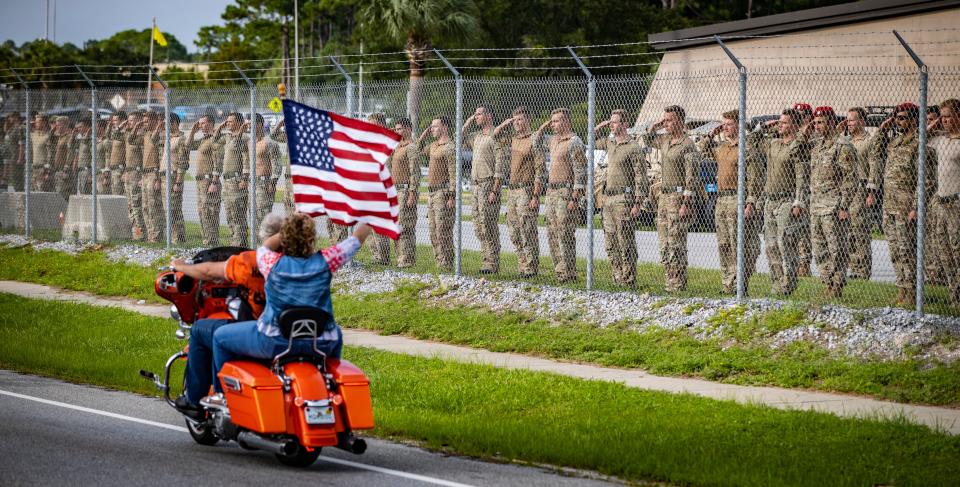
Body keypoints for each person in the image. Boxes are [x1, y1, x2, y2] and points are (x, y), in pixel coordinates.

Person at [210, 214, 374, 404]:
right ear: (311, 239)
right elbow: (356, 239)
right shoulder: (327, 261)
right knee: (334, 331)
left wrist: (290, 229)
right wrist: (373, 218)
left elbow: (266, 246)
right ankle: (327, 381)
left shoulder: (270, 261)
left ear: (285, 238)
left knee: (220, 337)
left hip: (275, 341)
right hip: (320, 342)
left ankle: (221, 396)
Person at [170, 212, 283, 417]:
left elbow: (210, 272)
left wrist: (182, 267)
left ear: (265, 236)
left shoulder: (252, 261)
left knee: (200, 330)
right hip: (294, 332)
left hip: (258, 330)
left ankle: (195, 400)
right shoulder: (304, 262)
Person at [866, 102, 937, 306]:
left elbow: (927, 179)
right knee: (895, 251)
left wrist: (915, 206)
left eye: (903, 117)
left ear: (914, 119)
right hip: (890, 204)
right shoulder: (895, 142)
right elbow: (875, 151)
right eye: (897, 117)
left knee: (908, 250)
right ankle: (902, 290)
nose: (899, 121)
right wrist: (882, 130)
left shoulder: (920, 142)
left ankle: (914, 292)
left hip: (907, 205)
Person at [698, 109, 763, 295]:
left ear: (739, 125)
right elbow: (704, 150)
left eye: (729, 124)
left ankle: (740, 283)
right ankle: (728, 283)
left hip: (738, 199)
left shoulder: (746, 148)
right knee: (724, 244)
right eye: (723, 124)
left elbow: (754, 178)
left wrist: (750, 202)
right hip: (722, 199)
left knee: (739, 244)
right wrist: (711, 134)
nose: (725, 127)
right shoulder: (723, 148)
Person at [750, 109, 810, 296]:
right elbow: (751, 142)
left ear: (794, 125)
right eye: (779, 122)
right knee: (771, 246)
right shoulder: (773, 144)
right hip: (770, 200)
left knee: (785, 244)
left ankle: (788, 283)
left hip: (787, 200)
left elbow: (802, 177)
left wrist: (799, 201)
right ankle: (776, 283)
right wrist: (763, 127)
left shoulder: (798, 146)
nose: (780, 125)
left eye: (784, 123)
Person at [643, 105, 699, 292]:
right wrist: (655, 126)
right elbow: (648, 140)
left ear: (680, 121)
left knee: (676, 242)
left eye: (670, 120)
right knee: (664, 243)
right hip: (664, 196)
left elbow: (692, 176)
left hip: (677, 196)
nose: (666, 123)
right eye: (664, 120)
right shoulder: (665, 140)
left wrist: (686, 203)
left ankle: (678, 282)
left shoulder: (687, 144)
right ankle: (669, 280)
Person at [595, 109, 650, 288]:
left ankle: (629, 279)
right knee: (610, 241)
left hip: (624, 199)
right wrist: (603, 125)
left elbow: (640, 176)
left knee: (625, 240)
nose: (612, 125)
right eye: (611, 122)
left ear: (625, 124)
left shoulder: (633, 147)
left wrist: (637, 202)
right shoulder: (610, 143)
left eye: (616, 122)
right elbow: (591, 137)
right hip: (608, 198)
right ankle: (617, 277)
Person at [807, 107, 857, 298]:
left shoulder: (842, 145)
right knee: (819, 249)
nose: (817, 126)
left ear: (831, 122)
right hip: (816, 205)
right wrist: (808, 129)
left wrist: (843, 205)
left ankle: (837, 286)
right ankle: (827, 283)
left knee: (836, 248)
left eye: (821, 122)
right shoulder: (817, 145)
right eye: (815, 122)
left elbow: (850, 179)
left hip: (833, 206)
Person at [537, 107, 587, 283]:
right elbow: (536, 142)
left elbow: (581, 171)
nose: (553, 124)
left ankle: (569, 272)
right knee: (551, 232)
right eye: (552, 121)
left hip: (566, 192)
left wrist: (575, 197)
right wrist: (544, 126)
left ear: (566, 121)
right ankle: (560, 272)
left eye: (557, 121)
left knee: (564, 232)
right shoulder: (553, 140)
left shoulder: (574, 141)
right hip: (551, 191)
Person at [494, 106, 544, 278]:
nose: (517, 123)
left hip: (526, 189)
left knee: (527, 229)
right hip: (512, 190)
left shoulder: (534, 138)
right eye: (514, 119)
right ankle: (522, 263)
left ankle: (531, 266)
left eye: (520, 119)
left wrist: (536, 195)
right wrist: (505, 124)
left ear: (529, 119)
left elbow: (540, 168)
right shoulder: (512, 140)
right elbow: (494, 137)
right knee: (513, 230)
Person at [372, 116, 420, 268]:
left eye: (401, 128)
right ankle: (394, 258)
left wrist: (412, 193)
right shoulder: (398, 146)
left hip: (405, 190)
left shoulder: (411, 147)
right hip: (393, 189)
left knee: (404, 226)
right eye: (396, 128)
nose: (397, 131)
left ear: (408, 129)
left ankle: (406, 260)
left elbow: (415, 172)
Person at [464, 104, 506, 274]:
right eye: (475, 114)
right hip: (475, 184)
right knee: (478, 225)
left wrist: (495, 190)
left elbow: (499, 164)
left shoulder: (496, 135)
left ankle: (493, 262)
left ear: (488, 115)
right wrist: (468, 122)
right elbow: (459, 137)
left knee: (488, 224)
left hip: (488, 183)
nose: (476, 117)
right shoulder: (477, 136)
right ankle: (486, 259)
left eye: (479, 114)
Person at [928, 98, 960, 308]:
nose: (945, 120)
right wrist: (935, 122)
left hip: (957, 203)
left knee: (957, 250)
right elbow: (920, 138)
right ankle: (953, 294)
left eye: (949, 116)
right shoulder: (941, 139)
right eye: (943, 116)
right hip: (941, 201)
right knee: (944, 251)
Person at [841, 107, 876, 280]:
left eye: (852, 120)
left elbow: (873, 166)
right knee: (846, 230)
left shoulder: (868, 141)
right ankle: (853, 267)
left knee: (859, 229)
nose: (849, 123)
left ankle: (862, 270)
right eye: (847, 120)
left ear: (862, 122)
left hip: (860, 188)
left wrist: (871, 192)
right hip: (844, 189)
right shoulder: (845, 141)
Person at [419, 116, 457, 270]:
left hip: (443, 192)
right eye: (431, 126)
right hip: (432, 193)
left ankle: (447, 263)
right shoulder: (434, 145)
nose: (432, 128)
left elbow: (453, 173)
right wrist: (425, 133)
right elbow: (417, 148)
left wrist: (451, 195)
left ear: (445, 127)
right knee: (433, 231)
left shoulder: (449, 147)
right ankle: (439, 262)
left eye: (435, 126)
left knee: (443, 230)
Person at [215, 112, 250, 246]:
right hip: (227, 181)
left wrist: (244, 179)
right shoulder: (228, 137)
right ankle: (233, 240)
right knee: (229, 212)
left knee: (238, 213)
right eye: (227, 121)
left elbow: (246, 159)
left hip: (237, 181)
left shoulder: (245, 138)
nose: (228, 123)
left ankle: (240, 243)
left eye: (231, 121)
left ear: (238, 122)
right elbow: (214, 140)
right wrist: (220, 127)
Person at [188, 114, 222, 246]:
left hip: (209, 181)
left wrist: (214, 181)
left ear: (210, 124)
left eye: (203, 123)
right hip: (200, 181)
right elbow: (188, 146)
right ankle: (206, 240)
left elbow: (217, 161)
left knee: (210, 212)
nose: (200, 125)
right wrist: (192, 131)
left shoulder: (215, 139)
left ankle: (212, 241)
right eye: (200, 123)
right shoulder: (204, 139)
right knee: (202, 211)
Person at [163, 114, 190, 244]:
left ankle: (178, 238)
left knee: (174, 208)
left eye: (166, 122)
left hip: (174, 176)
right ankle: (173, 237)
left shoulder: (181, 138)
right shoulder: (167, 137)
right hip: (165, 176)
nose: (164, 125)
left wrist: (178, 182)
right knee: (167, 208)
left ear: (174, 123)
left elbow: (183, 161)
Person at [123, 111, 146, 240]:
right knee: (130, 206)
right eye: (129, 120)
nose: (130, 123)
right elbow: (114, 134)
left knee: (137, 206)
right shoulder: (129, 135)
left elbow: (145, 157)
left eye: (132, 120)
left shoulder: (141, 136)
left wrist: (143, 176)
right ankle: (134, 233)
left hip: (137, 175)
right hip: (128, 173)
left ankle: (140, 234)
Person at [2, 112, 26, 192]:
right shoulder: (13, 128)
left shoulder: (20, 128)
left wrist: (20, 158)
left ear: (16, 117)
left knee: (17, 180)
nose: (9, 119)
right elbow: (6, 133)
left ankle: (21, 200)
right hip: (11, 157)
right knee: (13, 180)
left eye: (11, 117)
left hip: (16, 158)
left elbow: (21, 144)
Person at [106, 112, 127, 196]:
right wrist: (110, 125)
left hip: (120, 169)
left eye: (116, 120)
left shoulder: (125, 133)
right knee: (114, 195)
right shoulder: (116, 134)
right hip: (113, 169)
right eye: (113, 120)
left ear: (122, 121)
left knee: (118, 195)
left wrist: (125, 171)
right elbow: (108, 135)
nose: (114, 122)